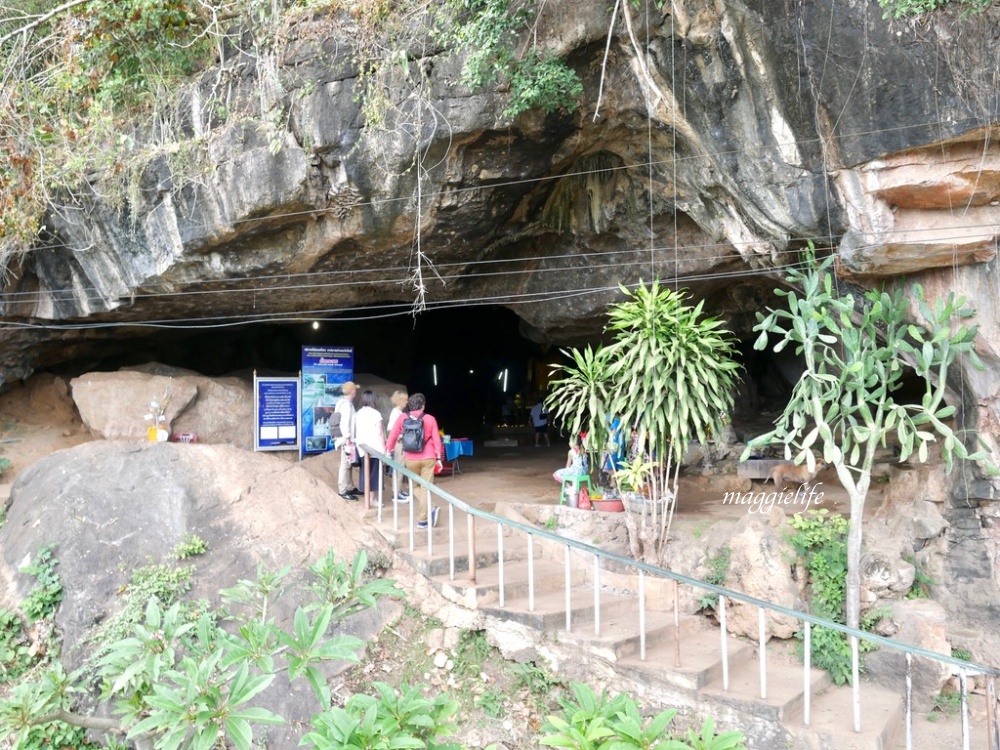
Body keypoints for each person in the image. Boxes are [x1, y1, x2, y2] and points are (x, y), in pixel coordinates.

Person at [385, 392, 444, 528]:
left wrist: (389, 449)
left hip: (410, 458)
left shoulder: (402, 418)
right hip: (428, 457)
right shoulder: (430, 419)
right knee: (425, 488)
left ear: (410, 405)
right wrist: (439, 458)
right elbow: (436, 440)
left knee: (415, 486)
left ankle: (425, 516)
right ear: (423, 406)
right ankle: (424, 517)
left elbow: (393, 435)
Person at [354, 390, 386, 506]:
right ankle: (371, 499)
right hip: (374, 448)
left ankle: (368, 498)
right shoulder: (376, 414)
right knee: (374, 473)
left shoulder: (358, 413)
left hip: (362, 447)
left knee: (365, 472)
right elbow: (380, 433)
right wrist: (384, 449)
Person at [334, 381, 359, 501]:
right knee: (345, 464)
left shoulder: (341, 403)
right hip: (345, 440)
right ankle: (343, 490)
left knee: (348, 464)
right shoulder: (347, 406)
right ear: (353, 392)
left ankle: (349, 486)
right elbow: (345, 424)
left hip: (342, 438)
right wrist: (348, 440)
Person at [386, 389, 410, 501]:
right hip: (399, 444)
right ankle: (396, 493)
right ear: (400, 400)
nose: (407, 402)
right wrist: (400, 437)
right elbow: (391, 430)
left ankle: (399, 490)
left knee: (401, 467)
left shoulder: (399, 412)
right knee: (399, 468)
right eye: (405, 400)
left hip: (401, 443)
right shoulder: (396, 413)